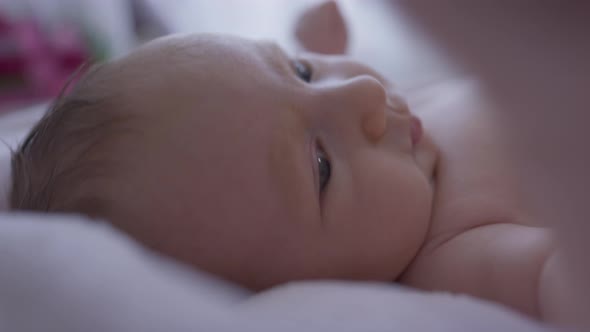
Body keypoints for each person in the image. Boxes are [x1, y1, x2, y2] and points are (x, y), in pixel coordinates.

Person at [7, 6, 576, 326]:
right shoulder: (458, 249)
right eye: (322, 166)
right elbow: (563, 281)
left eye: (302, 72)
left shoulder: (396, 138)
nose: (361, 94)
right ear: (314, 285)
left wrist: (318, 40)